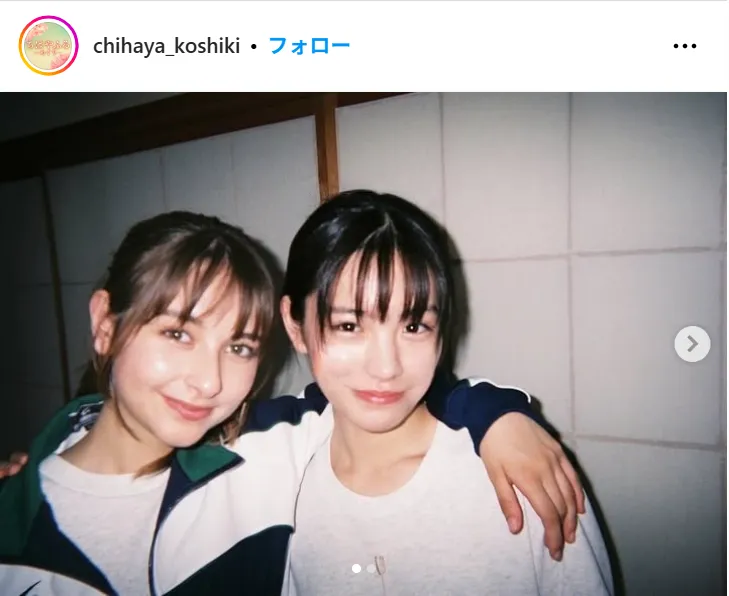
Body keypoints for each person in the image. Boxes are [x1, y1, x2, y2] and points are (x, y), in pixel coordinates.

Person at [0, 210, 582, 596]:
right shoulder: (14, 525)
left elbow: (379, 392)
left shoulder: (264, 448)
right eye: (178, 333)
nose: (208, 381)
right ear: (105, 324)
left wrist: (499, 414)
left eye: (239, 346)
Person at [279, 190, 613, 595]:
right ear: (295, 326)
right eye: (349, 326)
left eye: (414, 326)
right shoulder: (275, 483)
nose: (386, 367)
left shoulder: (523, 477)